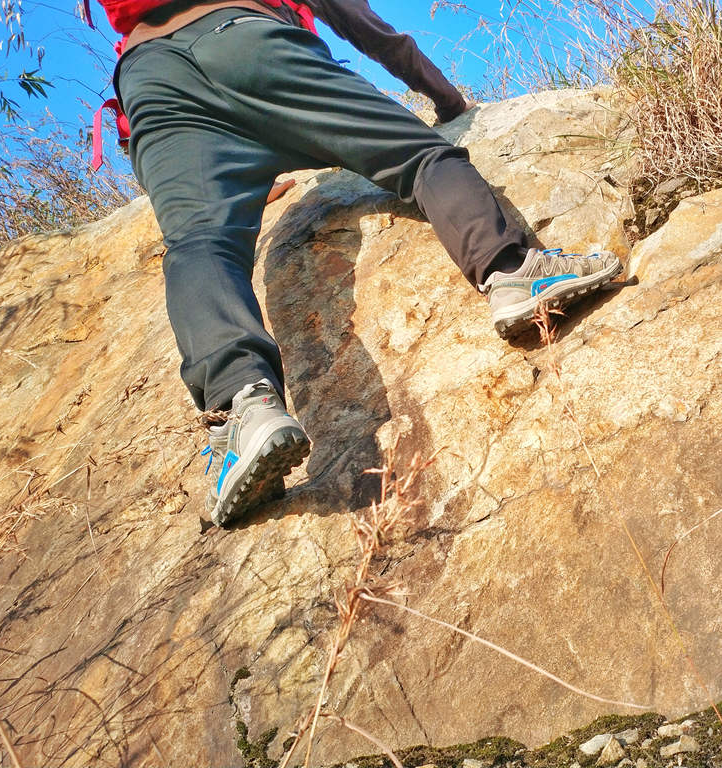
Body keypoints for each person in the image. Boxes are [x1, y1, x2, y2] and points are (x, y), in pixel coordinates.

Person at [97, 0, 623, 525]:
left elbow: (165, 158)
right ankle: (511, 273)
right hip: (247, 40)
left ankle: (243, 406)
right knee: (420, 158)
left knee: (199, 243)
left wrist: (234, 184)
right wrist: (444, 97)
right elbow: (366, 27)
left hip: (150, 76)